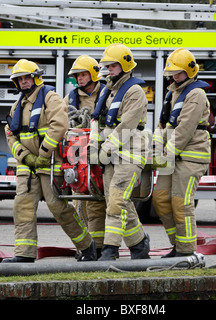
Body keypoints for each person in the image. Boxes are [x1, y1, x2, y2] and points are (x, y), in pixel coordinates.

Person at [3, 59, 96, 262]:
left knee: (58, 208)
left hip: (51, 163)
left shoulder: (50, 98)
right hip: (28, 167)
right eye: (20, 79)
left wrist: (42, 155)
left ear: (36, 77)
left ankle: (88, 247)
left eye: (27, 77)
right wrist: (26, 157)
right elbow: (10, 134)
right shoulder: (17, 105)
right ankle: (24, 255)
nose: (24, 82)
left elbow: (59, 125)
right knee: (22, 207)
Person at [89, 43, 150, 261]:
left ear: (124, 65)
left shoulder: (135, 92)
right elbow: (97, 120)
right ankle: (140, 245)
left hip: (130, 154)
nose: (108, 69)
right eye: (107, 65)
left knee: (115, 201)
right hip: (110, 155)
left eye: (113, 65)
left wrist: (103, 149)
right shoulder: (108, 89)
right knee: (118, 202)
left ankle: (110, 250)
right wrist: (93, 148)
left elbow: (126, 127)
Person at [151, 48, 211, 257]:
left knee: (180, 202)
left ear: (190, 71)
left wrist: (165, 154)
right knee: (159, 198)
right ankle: (177, 244)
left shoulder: (196, 94)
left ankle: (186, 251)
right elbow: (163, 124)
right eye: (173, 72)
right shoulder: (173, 92)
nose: (175, 76)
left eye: (179, 72)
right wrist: (156, 147)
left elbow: (184, 129)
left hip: (191, 155)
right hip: (172, 154)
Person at [64, 55, 107, 258]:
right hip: (79, 158)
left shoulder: (108, 94)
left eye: (83, 74)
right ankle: (86, 248)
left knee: (100, 204)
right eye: (77, 75)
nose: (79, 78)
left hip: (102, 155)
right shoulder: (71, 99)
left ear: (93, 74)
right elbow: (60, 121)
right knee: (79, 204)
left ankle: (101, 247)